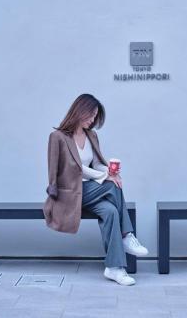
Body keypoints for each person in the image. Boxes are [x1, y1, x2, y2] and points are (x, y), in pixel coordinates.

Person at [43, 93, 148, 286]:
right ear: (79, 111)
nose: (92, 120)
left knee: (110, 211)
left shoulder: (92, 135)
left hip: (90, 191)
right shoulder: (57, 137)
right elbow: (72, 170)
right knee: (110, 184)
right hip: (69, 194)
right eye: (90, 115)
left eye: (95, 116)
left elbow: (97, 164)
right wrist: (105, 176)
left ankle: (114, 268)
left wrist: (108, 171)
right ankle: (127, 235)